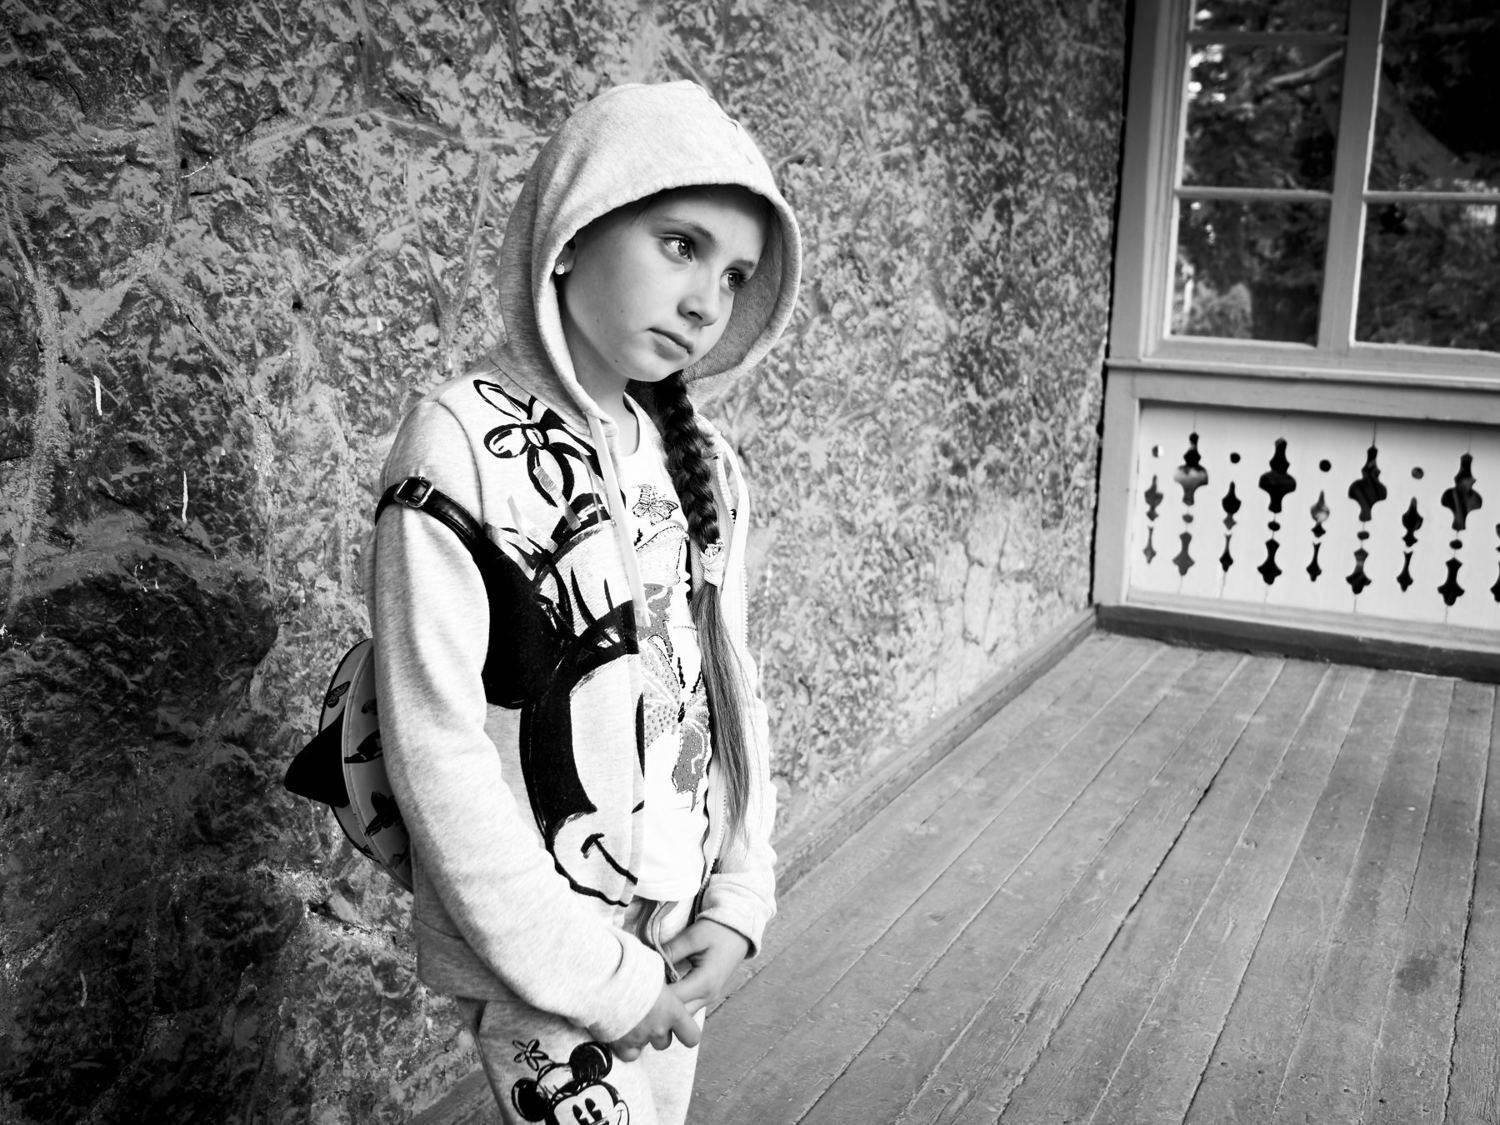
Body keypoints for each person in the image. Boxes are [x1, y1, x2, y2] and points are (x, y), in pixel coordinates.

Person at [368, 81, 801, 1124]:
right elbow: (435, 746)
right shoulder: (460, 445)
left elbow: (731, 693)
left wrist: (739, 898)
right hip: (550, 951)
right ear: (571, 233)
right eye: (681, 246)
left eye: (735, 275)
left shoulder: (707, 467)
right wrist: (601, 979)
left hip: (679, 927)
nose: (708, 302)